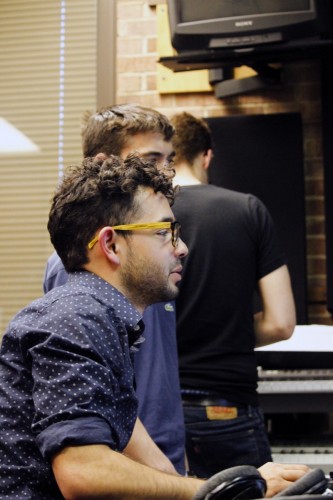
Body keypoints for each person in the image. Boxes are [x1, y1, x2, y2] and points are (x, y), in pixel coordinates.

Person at [0, 155, 311, 498]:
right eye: (164, 232)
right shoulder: (76, 317)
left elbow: (146, 459)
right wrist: (211, 492)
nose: (182, 248)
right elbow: (83, 471)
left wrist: (237, 483)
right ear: (111, 244)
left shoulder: (106, 319)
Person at [43, 104, 186, 474]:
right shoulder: (81, 269)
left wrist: (178, 461)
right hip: (126, 462)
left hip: (165, 451)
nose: (165, 170)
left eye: (169, 158)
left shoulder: (152, 262)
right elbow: (94, 396)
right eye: (152, 158)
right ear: (107, 163)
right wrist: (163, 472)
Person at [170, 112, 297, 478]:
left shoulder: (139, 216)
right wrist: (229, 330)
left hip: (154, 410)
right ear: (206, 156)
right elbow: (280, 323)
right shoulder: (246, 209)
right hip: (226, 406)